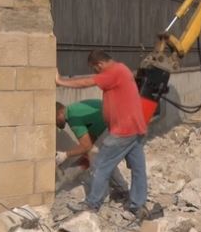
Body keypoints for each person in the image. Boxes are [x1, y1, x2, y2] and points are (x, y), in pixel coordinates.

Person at [56, 50, 148, 219]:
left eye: (94, 68)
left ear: (99, 64)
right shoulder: (122, 69)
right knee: (138, 168)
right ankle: (137, 204)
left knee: (100, 164)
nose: (95, 72)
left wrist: (60, 81)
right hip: (136, 128)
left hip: (123, 130)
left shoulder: (113, 72)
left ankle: (92, 204)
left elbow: (85, 82)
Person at [55, 100, 129, 201]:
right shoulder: (75, 111)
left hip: (119, 125)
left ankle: (119, 192)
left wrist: (65, 155)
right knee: (94, 155)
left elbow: (86, 146)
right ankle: (121, 190)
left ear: (59, 113)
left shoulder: (73, 117)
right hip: (118, 122)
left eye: (55, 120)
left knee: (101, 159)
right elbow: (90, 142)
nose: (56, 124)